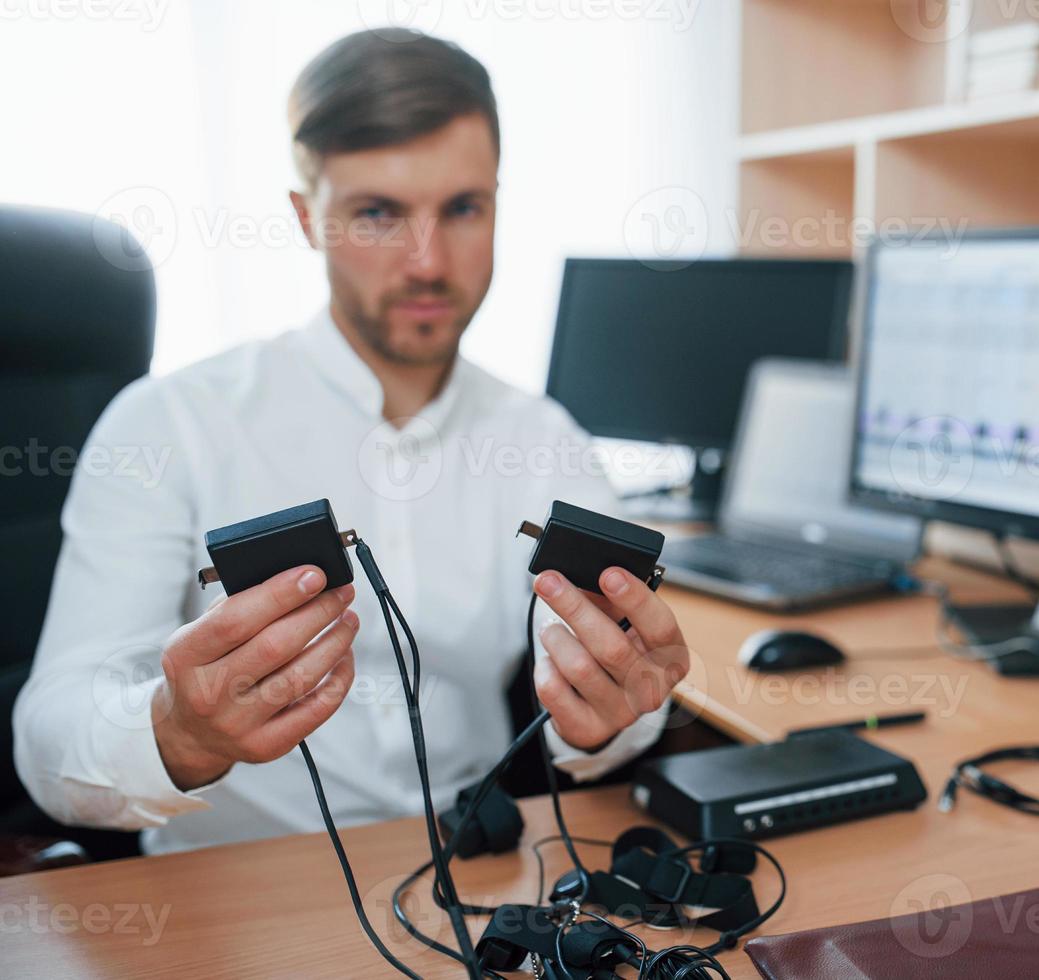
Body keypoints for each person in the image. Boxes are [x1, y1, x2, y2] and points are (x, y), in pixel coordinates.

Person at [13, 29, 690, 855]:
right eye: (378, 213)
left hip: (473, 881)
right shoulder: (167, 423)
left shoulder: (545, 440)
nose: (428, 262)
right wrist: (178, 733)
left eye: (463, 209)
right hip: (235, 895)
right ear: (308, 219)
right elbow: (48, 740)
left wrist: (611, 721)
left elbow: (622, 700)